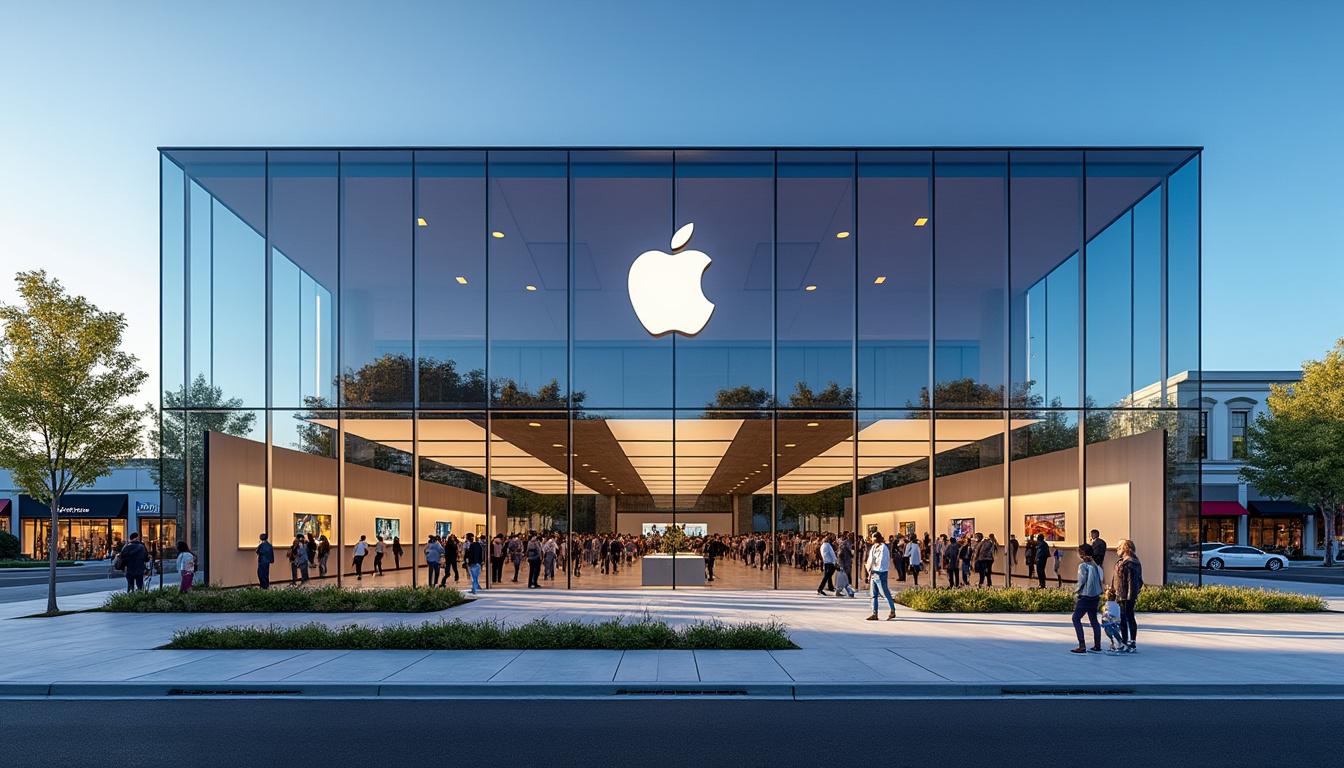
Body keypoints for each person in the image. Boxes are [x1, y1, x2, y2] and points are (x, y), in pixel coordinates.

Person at [1070, 544, 1104, 654]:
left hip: (1085, 596)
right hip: (1095, 596)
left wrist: (1075, 591)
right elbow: (1101, 579)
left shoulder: (1083, 566)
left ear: (1082, 554)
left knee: (1076, 618)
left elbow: (1081, 581)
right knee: (1093, 619)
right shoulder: (1096, 565)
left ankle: (1082, 645)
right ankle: (1097, 645)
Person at [1111, 539, 1143, 653]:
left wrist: (1130, 597)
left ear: (1125, 548)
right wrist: (1112, 590)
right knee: (1122, 619)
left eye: (1119, 547)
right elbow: (1116, 578)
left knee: (1127, 617)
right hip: (1120, 594)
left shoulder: (1131, 563)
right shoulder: (1122, 562)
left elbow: (1133, 581)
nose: (1117, 549)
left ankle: (1130, 642)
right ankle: (1124, 641)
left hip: (1126, 596)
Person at [865, 532, 896, 621]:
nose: (871, 539)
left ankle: (892, 610)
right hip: (873, 573)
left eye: (872, 537)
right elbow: (870, 559)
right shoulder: (874, 547)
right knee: (873, 595)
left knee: (884, 593)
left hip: (880, 573)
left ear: (876, 538)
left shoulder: (883, 548)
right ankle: (874, 613)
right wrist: (869, 571)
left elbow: (883, 561)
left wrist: (877, 570)